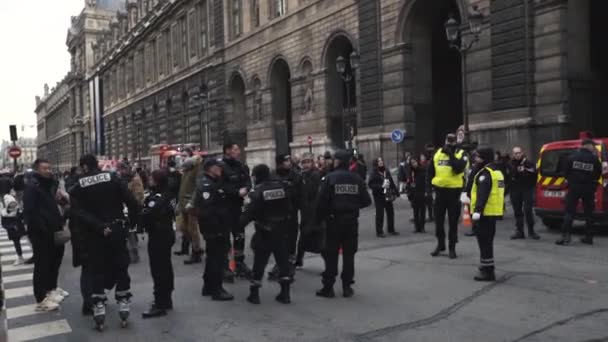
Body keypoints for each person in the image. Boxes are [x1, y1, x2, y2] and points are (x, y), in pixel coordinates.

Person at [69, 154, 141, 329]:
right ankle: (123, 300)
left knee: (96, 269)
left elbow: (78, 212)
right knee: (121, 266)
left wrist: (99, 226)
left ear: (85, 167)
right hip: (117, 229)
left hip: (95, 233)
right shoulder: (112, 178)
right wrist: (130, 222)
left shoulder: (79, 185)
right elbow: (132, 202)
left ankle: (99, 303)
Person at [316, 150, 372, 298]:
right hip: (351, 221)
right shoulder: (357, 179)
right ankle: (347, 287)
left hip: (334, 221)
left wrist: (320, 219)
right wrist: (352, 206)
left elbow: (321, 202)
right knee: (349, 255)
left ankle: (328, 287)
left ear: (338, 161)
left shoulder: (330, 178)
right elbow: (366, 201)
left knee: (331, 254)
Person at [240, 164, 293, 304]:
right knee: (282, 261)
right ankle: (285, 293)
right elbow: (290, 208)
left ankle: (254, 294)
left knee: (260, 262)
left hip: (264, 231)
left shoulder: (257, 192)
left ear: (257, 176)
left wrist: (237, 225)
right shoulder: (282, 187)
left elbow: (248, 214)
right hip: (281, 230)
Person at [23, 159, 66, 312]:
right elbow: (30, 211)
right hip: (41, 233)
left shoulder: (48, 185)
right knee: (42, 265)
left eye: (49, 167)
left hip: (54, 229)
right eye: (44, 168)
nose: (48, 170)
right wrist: (42, 227)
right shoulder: (32, 187)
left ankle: (51, 289)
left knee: (55, 260)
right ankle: (41, 299)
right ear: (37, 170)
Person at [191, 159, 234, 301]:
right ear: (210, 169)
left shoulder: (213, 182)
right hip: (214, 227)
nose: (220, 169)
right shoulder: (207, 185)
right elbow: (208, 210)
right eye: (218, 167)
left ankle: (208, 286)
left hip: (215, 226)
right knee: (218, 258)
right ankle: (217, 289)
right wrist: (218, 229)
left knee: (212, 258)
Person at [141, 169, 176, 318]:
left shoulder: (156, 197)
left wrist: (141, 213)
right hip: (167, 233)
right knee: (166, 267)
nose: (149, 179)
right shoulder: (169, 193)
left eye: (151, 177)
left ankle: (159, 303)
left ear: (156, 180)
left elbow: (148, 215)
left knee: (158, 269)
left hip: (158, 235)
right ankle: (166, 299)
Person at [427, 134, 468, 259]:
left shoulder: (462, 153)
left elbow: (457, 169)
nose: (450, 143)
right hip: (440, 192)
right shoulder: (438, 153)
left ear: (456, 141)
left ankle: (452, 248)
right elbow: (430, 172)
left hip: (454, 192)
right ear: (445, 140)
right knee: (438, 222)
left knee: (452, 222)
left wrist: (451, 155)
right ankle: (440, 244)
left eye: (452, 141)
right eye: (448, 141)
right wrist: (428, 190)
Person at [556, 139, 602, 246]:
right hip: (588, 188)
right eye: (592, 146)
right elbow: (598, 174)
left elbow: (565, 172)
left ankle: (566, 236)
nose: (593, 148)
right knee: (589, 213)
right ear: (587, 146)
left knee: (569, 212)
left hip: (574, 188)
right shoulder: (595, 159)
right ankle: (589, 237)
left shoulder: (572, 157)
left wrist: (571, 181)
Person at [470, 147, 505, 281]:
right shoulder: (497, 172)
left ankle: (487, 271)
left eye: (478, 157)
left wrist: (478, 211)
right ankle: (487, 266)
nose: (476, 159)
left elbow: (482, 194)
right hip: (492, 212)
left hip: (484, 213)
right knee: (488, 242)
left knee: (484, 242)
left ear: (484, 158)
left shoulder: (485, 173)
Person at [221, 143, 252, 280]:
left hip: (238, 206)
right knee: (225, 236)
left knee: (239, 235)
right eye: (235, 149)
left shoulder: (241, 166)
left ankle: (240, 263)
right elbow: (220, 186)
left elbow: (248, 181)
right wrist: (235, 192)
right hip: (225, 206)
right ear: (227, 151)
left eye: (238, 149)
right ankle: (226, 265)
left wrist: (246, 189)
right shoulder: (221, 167)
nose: (238, 152)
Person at [269, 154, 302, 280]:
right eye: (286, 161)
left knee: (291, 239)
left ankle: (290, 264)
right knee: (279, 240)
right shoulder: (273, 175)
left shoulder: (295, 175)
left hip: (291, 212)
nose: (289, 162)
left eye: (289, 160)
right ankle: (280, 264)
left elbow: (300, 195)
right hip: (277, 214)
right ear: (280, 163)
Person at [295, 152, 322, 267]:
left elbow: (310, 191)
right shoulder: (304, 175)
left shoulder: (314, 174)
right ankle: (298, 259)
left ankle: (328, 264)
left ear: (312, 163)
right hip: (306, 211)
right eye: (303, 162)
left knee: (318, 238)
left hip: (314, 211)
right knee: (304, 236)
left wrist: (302, 179)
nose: (305, 165)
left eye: (308, 162)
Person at [176, 157, 204, 265]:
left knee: (192, 229)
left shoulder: (197, 171)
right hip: (183, 203)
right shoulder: (186, 171)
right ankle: (196, 247)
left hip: (191, 204)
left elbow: (198, 188)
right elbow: (183, 187)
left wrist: (193, 202)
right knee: (183, 227)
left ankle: (196, 252)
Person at [509, 147, 539, 240]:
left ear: (522, 153)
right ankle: (519, 231)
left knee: (528, 210)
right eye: (515, 153)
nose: (517, 155)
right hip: (515, 190)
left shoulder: (528, 163)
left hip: (527, 189)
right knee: (517, 211)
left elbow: (535, 173)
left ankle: (531, 231)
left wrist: (525, 170)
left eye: (519, 153)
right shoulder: (510, 164)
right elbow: (508, 176)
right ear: (513, 154)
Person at [368, 157, 399, 237]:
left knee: (390, 212)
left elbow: (391, 181)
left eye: (381, 160)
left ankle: (391, 229)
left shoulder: (386, 171)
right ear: (376, 163)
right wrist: (381, 186)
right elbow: (371, 185)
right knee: (380, 213)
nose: (381, 162)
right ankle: (379, 231)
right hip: (378, 195)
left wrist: (396, 191)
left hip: (387, 194)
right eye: (379, 161)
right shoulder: (373, 173)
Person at [1, 193, 26, 265]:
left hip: (20, 228)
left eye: (14, 203)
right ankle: (20, 257)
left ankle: (35, 254)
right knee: (16, 243)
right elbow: (4, 224)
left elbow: (22, 217)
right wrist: (12, 226)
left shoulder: (18, 210)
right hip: (12, 231)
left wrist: (22, 213)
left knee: (31, 238)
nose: (14, 205)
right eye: (11, 203)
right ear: (7, 204)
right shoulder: (4, 213)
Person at [407, 158, 427, 233]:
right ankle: (416, 227)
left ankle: (422, 227)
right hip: (414, 194)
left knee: (422, 211)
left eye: (414, 162)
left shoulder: (422, 170)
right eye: (412, 163)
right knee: (415, 212)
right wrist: (409, 192)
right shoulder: (411, 172)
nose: (414, 164)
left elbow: (426, 182)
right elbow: (409, 183)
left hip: (421, 193)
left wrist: (426, 192)